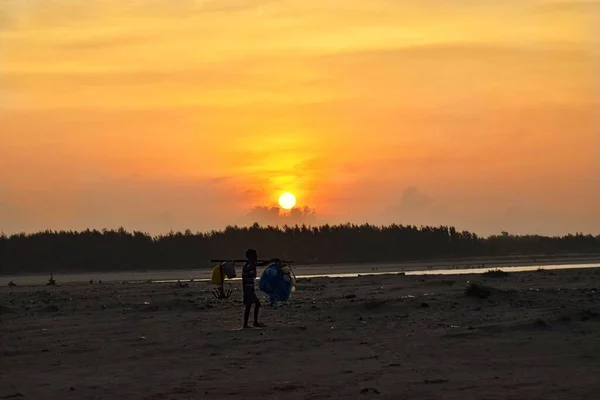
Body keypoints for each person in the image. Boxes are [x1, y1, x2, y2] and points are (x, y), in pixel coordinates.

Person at [242, 248, 272, 328]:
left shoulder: (251, 264)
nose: (256, 257)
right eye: (254, 256)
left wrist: (270, 261)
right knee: (255, 304)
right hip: (248, 289)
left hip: (249, 288)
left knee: (251, 305)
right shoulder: (248, 265)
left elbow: (260, 265)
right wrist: (269, 261)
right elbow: (258, 266)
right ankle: (250, 323)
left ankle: (250, 323)